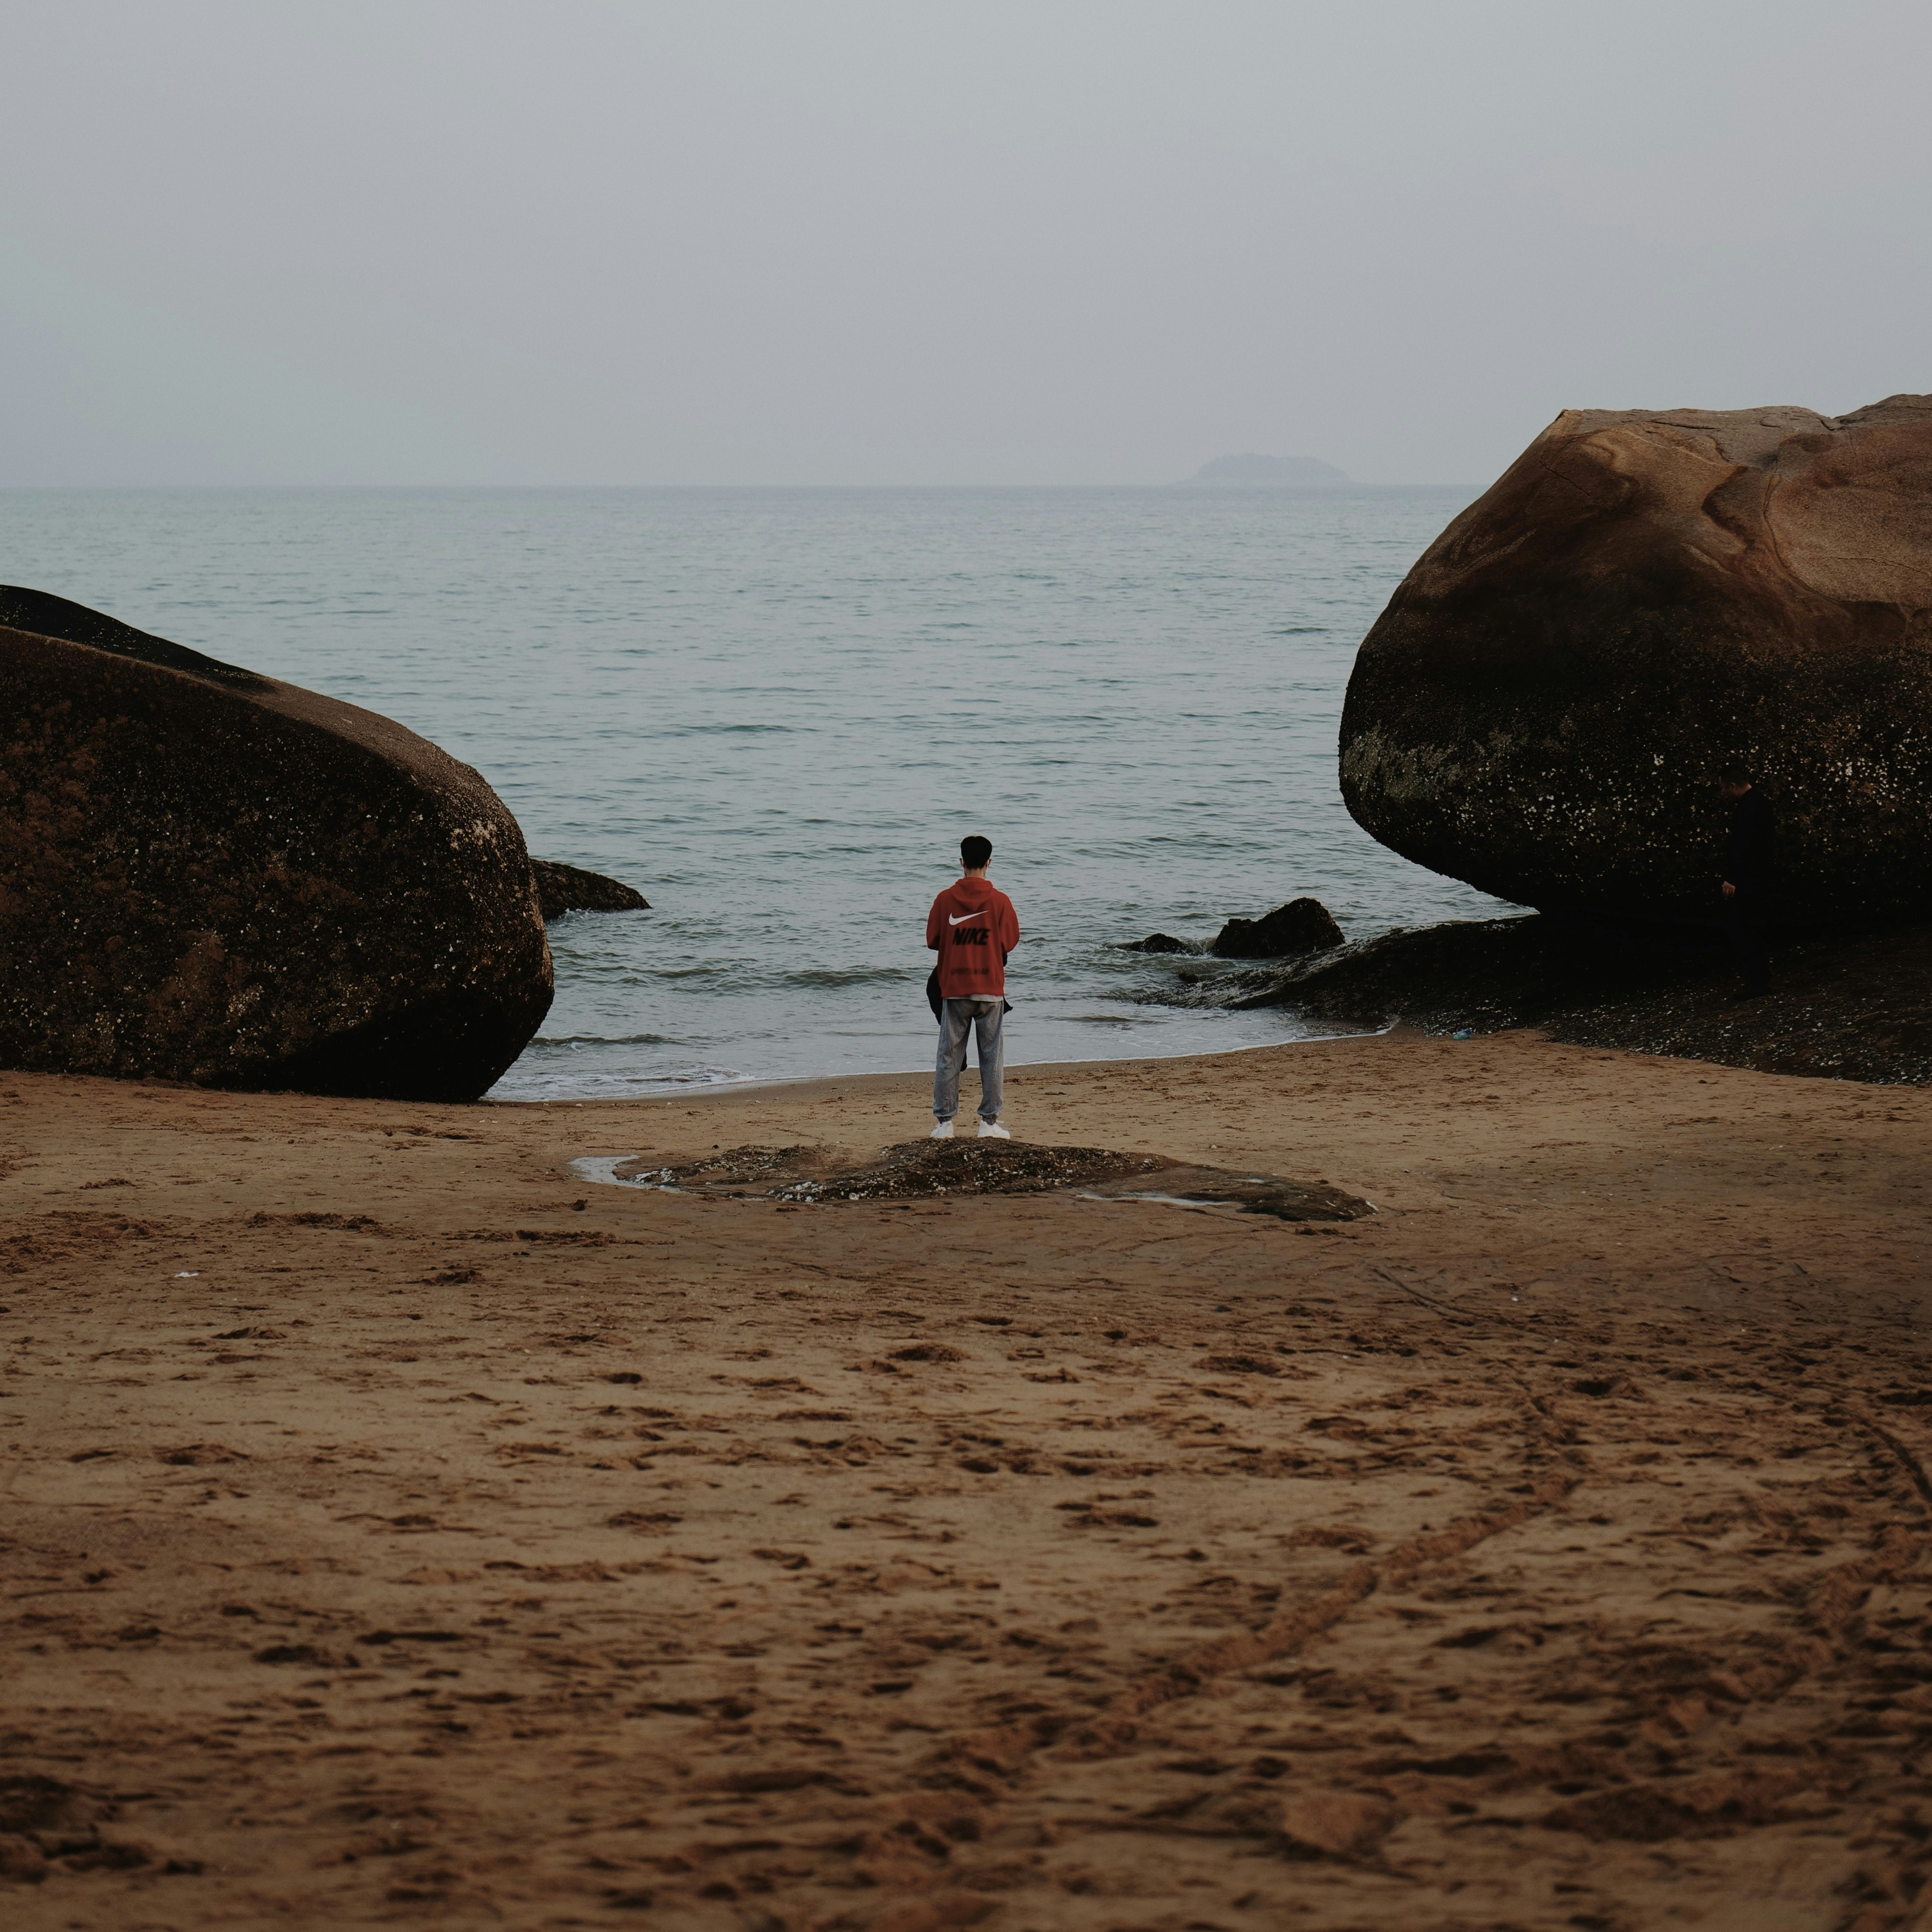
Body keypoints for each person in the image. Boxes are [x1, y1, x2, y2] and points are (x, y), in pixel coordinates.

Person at [926, 835, 1020, 1138]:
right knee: (992, 1055)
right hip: (990, 987)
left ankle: (945, 1124)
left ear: (962, 862)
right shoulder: (1001, 901)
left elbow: (933, 941)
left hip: (954, 987)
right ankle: (989, 1124)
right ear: (989, 864)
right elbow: (1011, 942)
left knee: (948, 1055)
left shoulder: (944, 900)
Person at [1719, 763, 1774, 998]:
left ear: (1732, 786)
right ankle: (1760, 978)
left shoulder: (1747, 808)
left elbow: (1743, 847)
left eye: (1723, 788)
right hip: (1759, 877)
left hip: (1747, 880)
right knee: (1752, 928)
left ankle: (1758, 982)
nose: (1722, 793)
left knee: (1744, 929)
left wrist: (1732, 879)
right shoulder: (1761, 803)